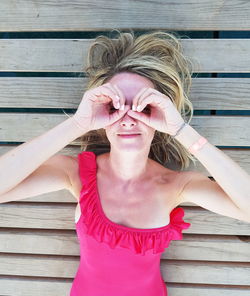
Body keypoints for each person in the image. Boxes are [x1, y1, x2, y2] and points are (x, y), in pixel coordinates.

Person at [0, 30, 249, 296]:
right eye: (115, 106)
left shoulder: (176, 185)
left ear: (160, 113)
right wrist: (77, 124)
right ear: (101, 113)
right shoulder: (76, 173)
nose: (128, 118)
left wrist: (181, 130)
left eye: (143, 107)